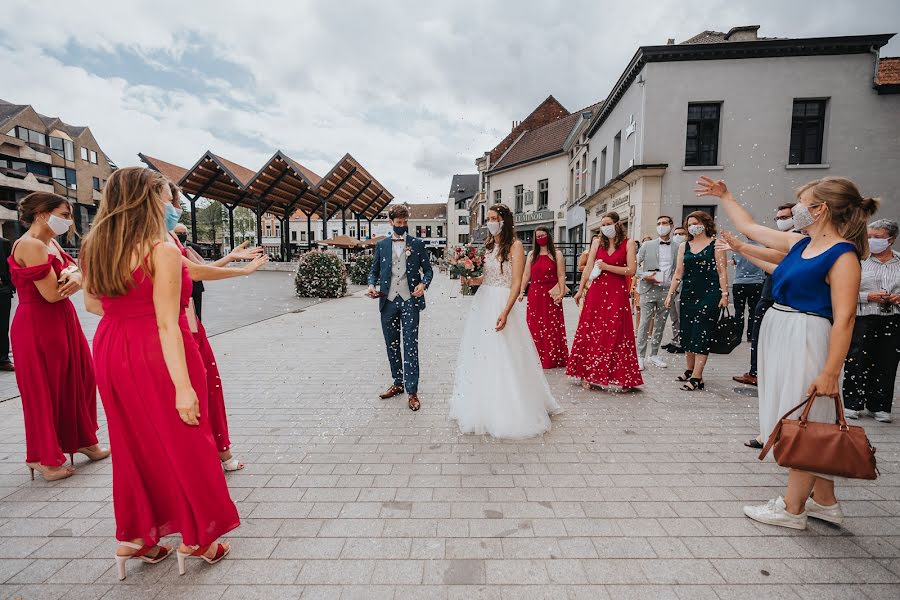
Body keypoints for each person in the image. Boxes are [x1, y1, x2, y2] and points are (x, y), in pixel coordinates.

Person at [81, 167, 239, 579]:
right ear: (149, 199)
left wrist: (126, 314)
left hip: (111, 347)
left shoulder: (93, 244)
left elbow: (93, 306)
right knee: (187, 440)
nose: (171, 205)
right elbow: (168, 323)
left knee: (132, 442)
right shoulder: (161, 250)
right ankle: (197, 538)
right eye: (166, 198)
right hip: (156, 350)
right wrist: (184, 387)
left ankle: (135, 537)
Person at [696, 175, 877, 530]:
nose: (796, 210)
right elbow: (749, 227)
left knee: (803, 418)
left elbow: (844, 319)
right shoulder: (802, 243)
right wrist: (726, 195)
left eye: (803, 202)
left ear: (820, 209)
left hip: (807, 335)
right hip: (783, 331)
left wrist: (829, 372)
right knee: (804, 415)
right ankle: (824, 501)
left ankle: (792, 510)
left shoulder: (843, 255)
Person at [164, 183, 267, 469]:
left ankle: (218, 450)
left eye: (176, 204)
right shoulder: (157, 242)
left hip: (191, 322)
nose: (176, 209)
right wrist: (240, 271)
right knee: (200, 389)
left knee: (210, 388)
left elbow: (196, 271)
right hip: (179, 326)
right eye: (171, 202)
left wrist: (231, 259)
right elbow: (193, 271)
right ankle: (212, 454)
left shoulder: (169, 237)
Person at [9, 192, 109, 481]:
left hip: (61, 320)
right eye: (65, 215)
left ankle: (81, 440)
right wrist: (79, 276)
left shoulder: (49, 242)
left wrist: (77, 274)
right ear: (42, 214)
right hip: (38, 324)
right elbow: (53, 293)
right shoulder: (30, 244)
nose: (68, 221)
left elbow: (74, 270)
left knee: (77, 379)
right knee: (45, 389)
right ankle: (42, 457)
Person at [449, 204, 561, 437]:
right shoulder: (489, 245)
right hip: (484, 301)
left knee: (507, 353)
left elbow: (517, 283)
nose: (490, 222)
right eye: (488, 218)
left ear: (504, 220)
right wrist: (469, 279)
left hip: (502, 301)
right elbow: (486, 277)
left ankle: (513, 404)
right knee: (482, 352)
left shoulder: (516, 246)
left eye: (494, 218)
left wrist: (506, 311)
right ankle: (483, 401)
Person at [367, 204, 434, 411]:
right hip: (387, 302)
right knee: (392, 344)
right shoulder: (382, 246)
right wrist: (371, 285)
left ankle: (412, 391)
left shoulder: (418, 244)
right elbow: (374, 271)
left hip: (410, 301)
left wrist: (423, 284)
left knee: (410, 345)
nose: (402, 226)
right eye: (399, 223)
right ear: (391, 222)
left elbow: (429, 271)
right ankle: (398, 383)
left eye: (405, 223)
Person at [568, 212, 643, 391]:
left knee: (618, 331)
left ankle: (623, 376)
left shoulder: (629, 243)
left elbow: (631, 269)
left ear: (617, 224)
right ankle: (587, 372)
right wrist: (580, 290)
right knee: (592, 330)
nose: (605, 227)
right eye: (602, 224)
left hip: (617, 291)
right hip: (597, 291)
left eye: (608, 223)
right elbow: (588, 267)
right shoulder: (597, 242)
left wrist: (608, 267)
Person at [732, 204, 796, 387]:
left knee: (764, 328)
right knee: (758, 327)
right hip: (769, 289)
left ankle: (761, 372)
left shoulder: (797, 239)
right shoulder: (780, 239)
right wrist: (741, 249)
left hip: (781, 295)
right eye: (778, 218)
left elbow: (780, 263)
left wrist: (741, 248)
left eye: (785, 217)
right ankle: (757, 370)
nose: (780, 221)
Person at [843, 218, 899, 423]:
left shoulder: (899, 262)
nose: (871, 241)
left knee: (887, 361)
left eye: (878, 237)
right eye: (869, 237)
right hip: (863, 317)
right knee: (856, 359)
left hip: (892, 318)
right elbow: (842, 291)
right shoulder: (857, 260)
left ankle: (880, 405)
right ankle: (852, 403)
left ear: (891, 240)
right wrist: (868, 296)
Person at [664, 211, 728, 391]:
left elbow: (722, 272)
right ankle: (690, 369)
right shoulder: (685, 246)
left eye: (696, 222)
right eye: (689, 224)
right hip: (688, 294)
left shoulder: (716, 244)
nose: (692, 226)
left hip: (710, 293)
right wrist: (670, 294)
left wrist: (724, 295)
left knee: (702, 332)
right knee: (688, 331)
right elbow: (678, 272)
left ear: (705, 224)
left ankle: (697, 377)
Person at [519, 226, 568, 368]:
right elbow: (526, 274)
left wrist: (561, 293)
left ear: (548, 236)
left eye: (542, 235)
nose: (540, 238)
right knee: (535, 324)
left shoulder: (557, 254)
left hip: (551, 292)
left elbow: (560, 274)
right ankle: (536, 356)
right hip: (535, 292)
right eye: (538, 236)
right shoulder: (531, 254)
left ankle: (552, 357)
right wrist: (522, 290)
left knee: (551, 324)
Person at [635, 216, 679, 370]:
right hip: (648, 288)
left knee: (660, 324)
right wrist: (645, 275)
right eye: (659, 223)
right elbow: (634, 265)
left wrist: (675, 290)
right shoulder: (647, 245)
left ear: (671, 226)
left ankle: (654, 355)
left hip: (667, 291)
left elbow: (679, 270)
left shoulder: (678, 247)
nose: (661, 226)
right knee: (644, 323)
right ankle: (640, 356)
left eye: (665, 223)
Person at [731, 240, 766, 342]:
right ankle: (751, 335)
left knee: (739, 311)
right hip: (756, 282)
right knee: (754, 311)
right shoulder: (761, 248)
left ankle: (737, 336)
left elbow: (734, 262)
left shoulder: (739, 246)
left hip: (739, 282)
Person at [662, 226, 688, 354]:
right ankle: (676, 339)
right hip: (671, 286)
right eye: (676, 234)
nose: (678, 236)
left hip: (683, 287)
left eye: (682, 234)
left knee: (681, 316)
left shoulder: (688, 249)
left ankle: (683, 342)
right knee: (674, 317)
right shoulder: (671, 249)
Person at [172, 223, 205, 321]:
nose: (182, 235)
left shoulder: (194, 247)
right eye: (179, 233)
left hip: (195, 287)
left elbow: (201, 265)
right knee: (183, 317)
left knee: (196, 316)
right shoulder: (170, 247)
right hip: (179, 287)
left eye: (184, 233)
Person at [0, 234, 14, 371]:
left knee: (2, 326)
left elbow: (11, 268)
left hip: (2, 291)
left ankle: (3, 359)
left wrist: (8, 286)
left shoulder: (4, 243)